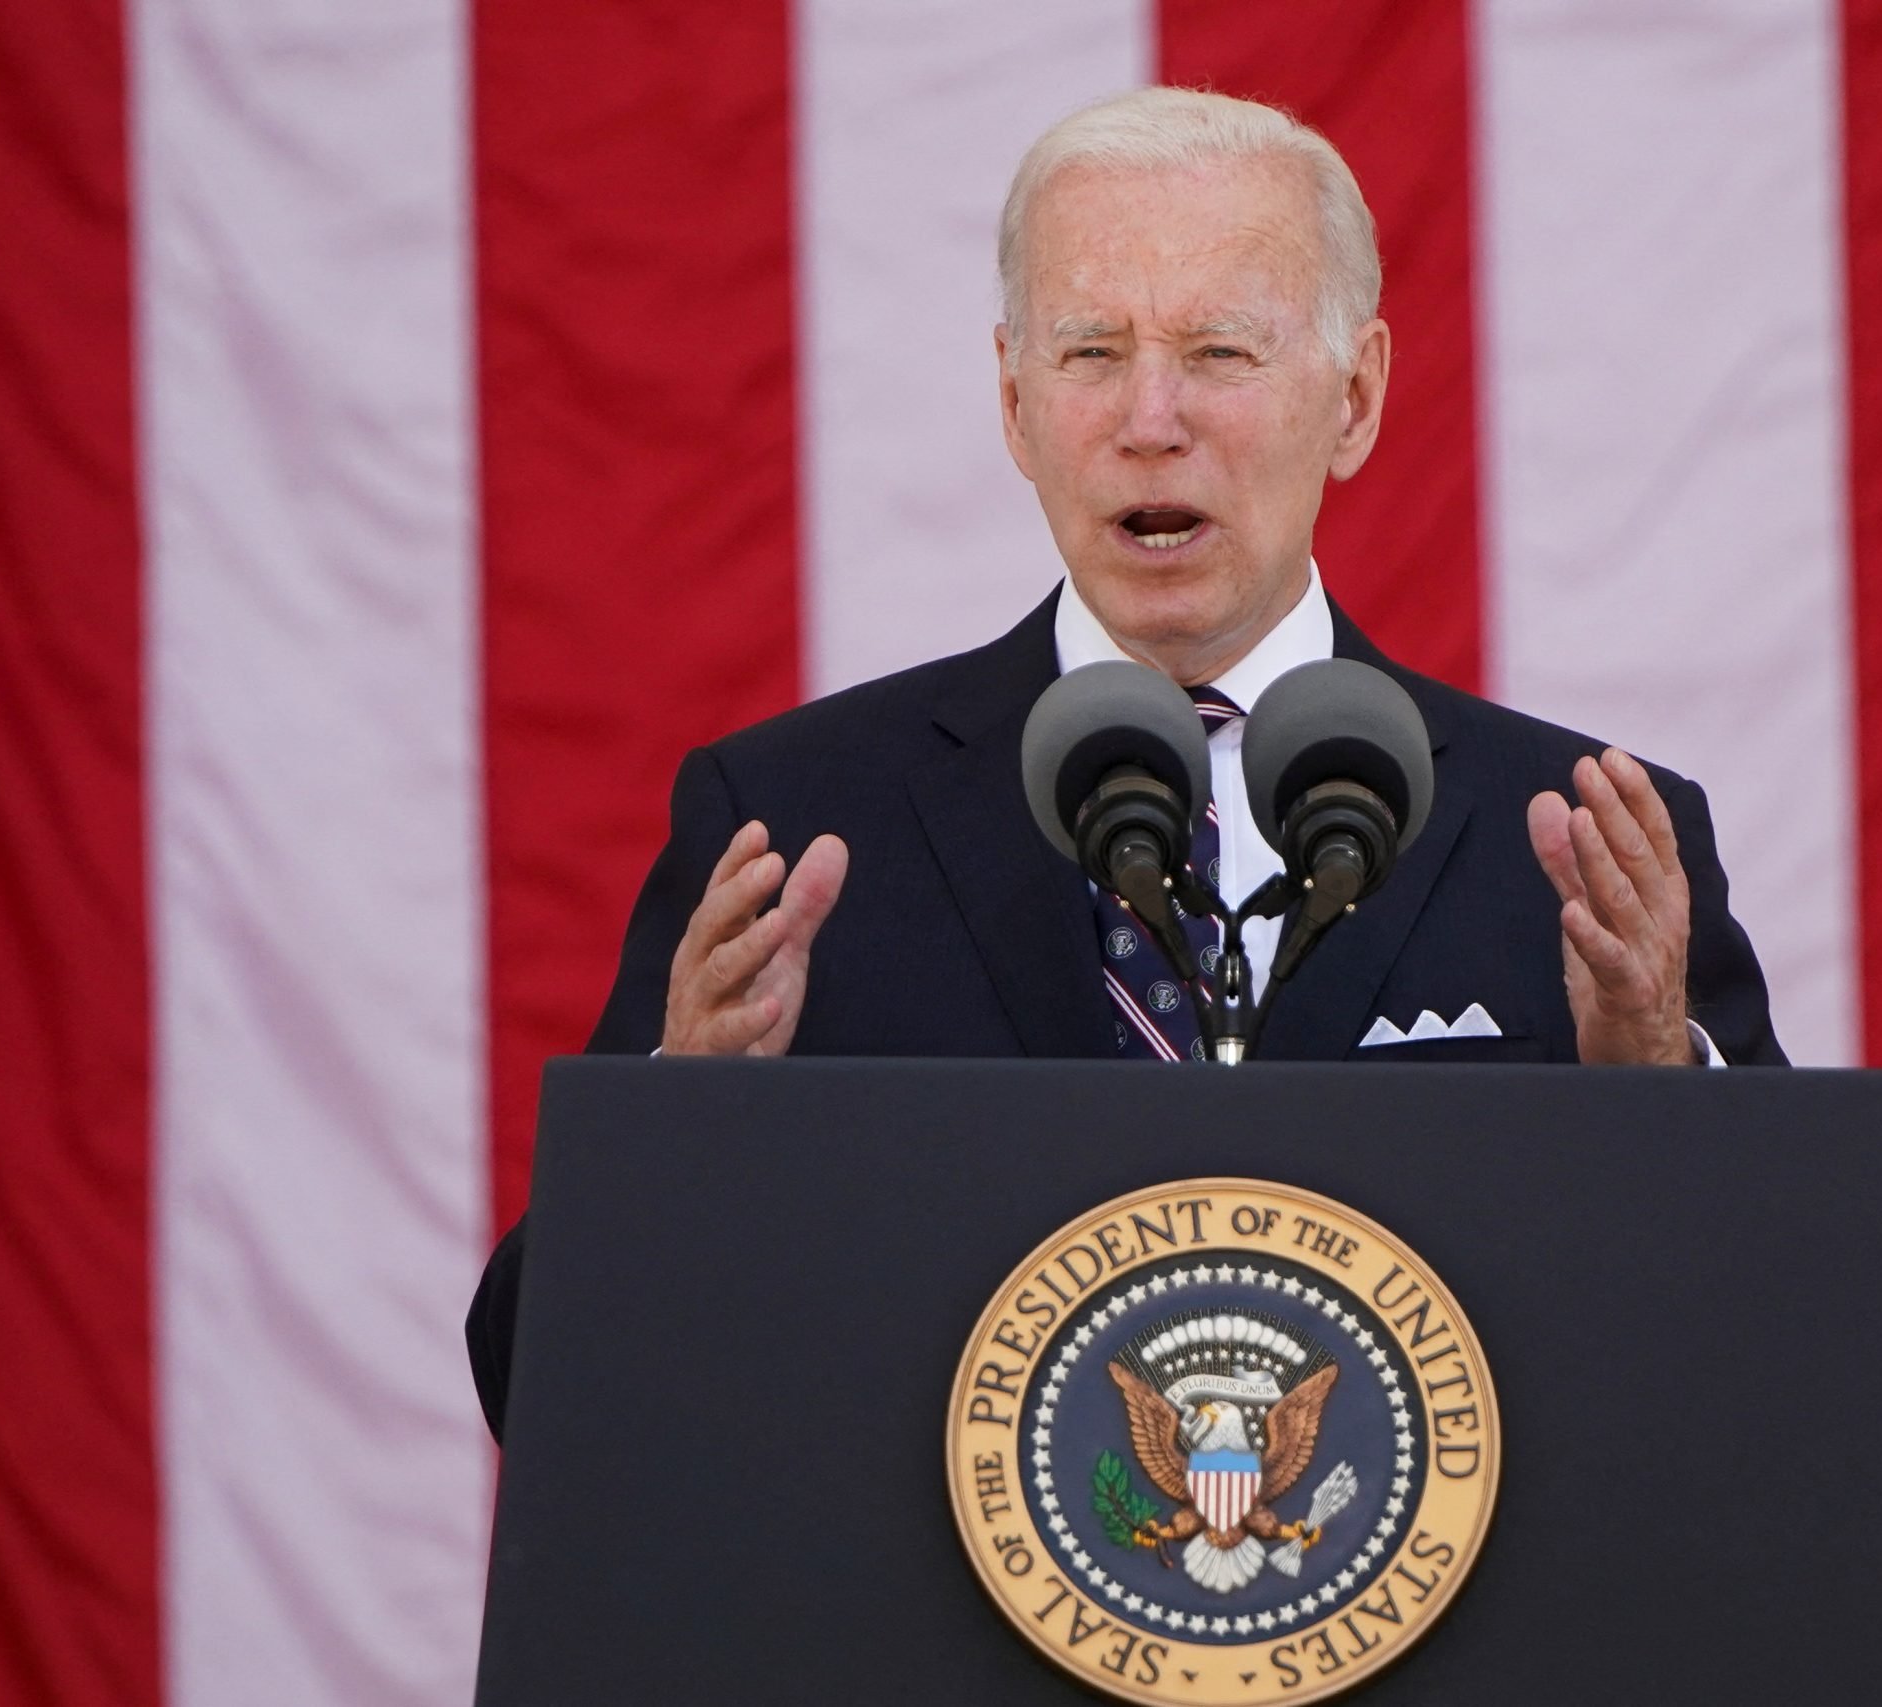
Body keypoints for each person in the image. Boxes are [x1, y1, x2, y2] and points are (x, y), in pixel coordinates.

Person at [468, 87, 1784, 1438]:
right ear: (1014, 401)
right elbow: (538, 1384)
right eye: (1092, 352)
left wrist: (1656, 1100)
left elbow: (1787, 1358)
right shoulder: (800, 827)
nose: (1151, 418)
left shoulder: (1575, 841)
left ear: (1358, 398)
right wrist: (679, 1138)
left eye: (1218, 351)